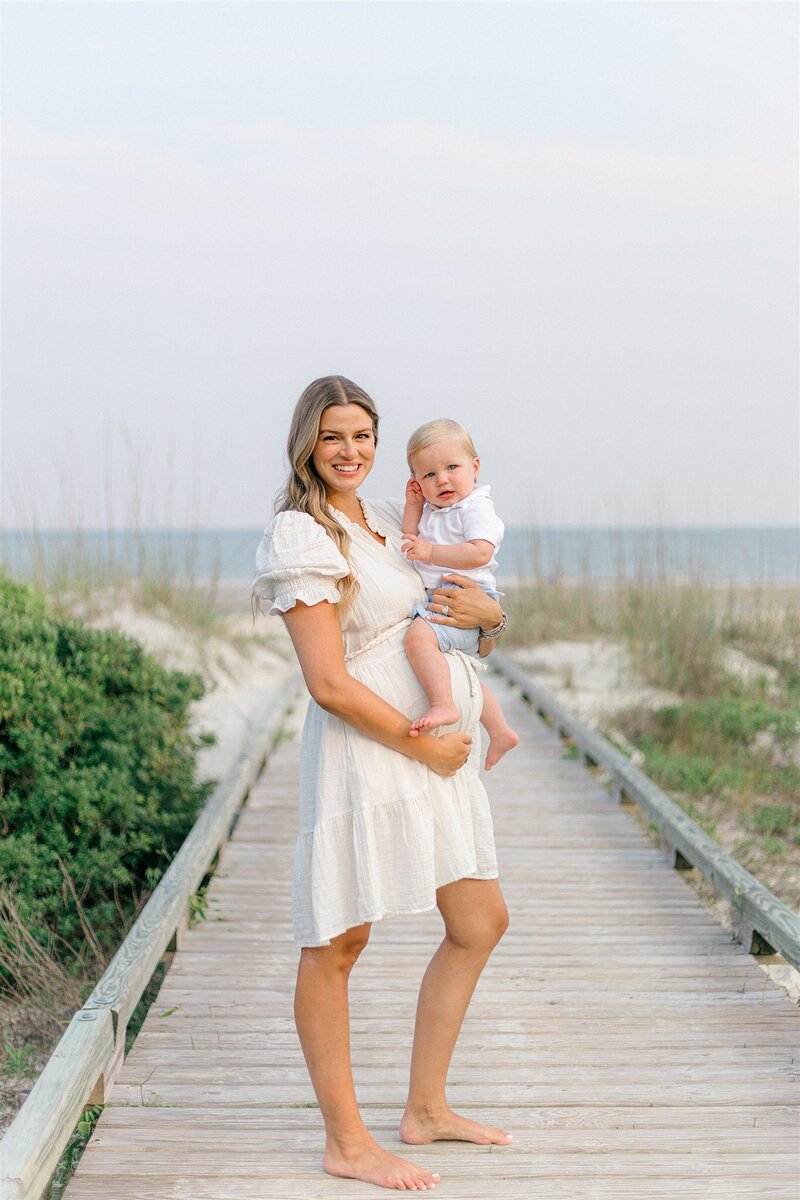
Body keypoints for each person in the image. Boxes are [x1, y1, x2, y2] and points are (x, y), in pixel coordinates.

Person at [251, 376, 512, 1192]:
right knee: (338, 939)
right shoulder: (303, 532)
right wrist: (417, 743)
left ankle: (425, 1110)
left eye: (364, 435)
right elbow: (326, 681)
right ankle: (347, 1141)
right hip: (373, 749)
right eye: (334, 436)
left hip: (434, 748)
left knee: (480, 919)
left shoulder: (389, 524)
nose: (351, 450)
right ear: (307, 443)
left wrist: (492, 622)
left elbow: (436, 617)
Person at [401, 418, 519, 770]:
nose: (443, 480)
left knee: (418, 641)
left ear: (475, 467)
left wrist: (432, 553)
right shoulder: (435, 511)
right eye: (429, 475)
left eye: (452, 467)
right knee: (457, 672)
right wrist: (413, 508)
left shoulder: (475, 507)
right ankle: (500, 731)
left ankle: (443, 705)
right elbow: (410, 543)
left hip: (465, 594)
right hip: (443, 595)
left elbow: (480, 552)